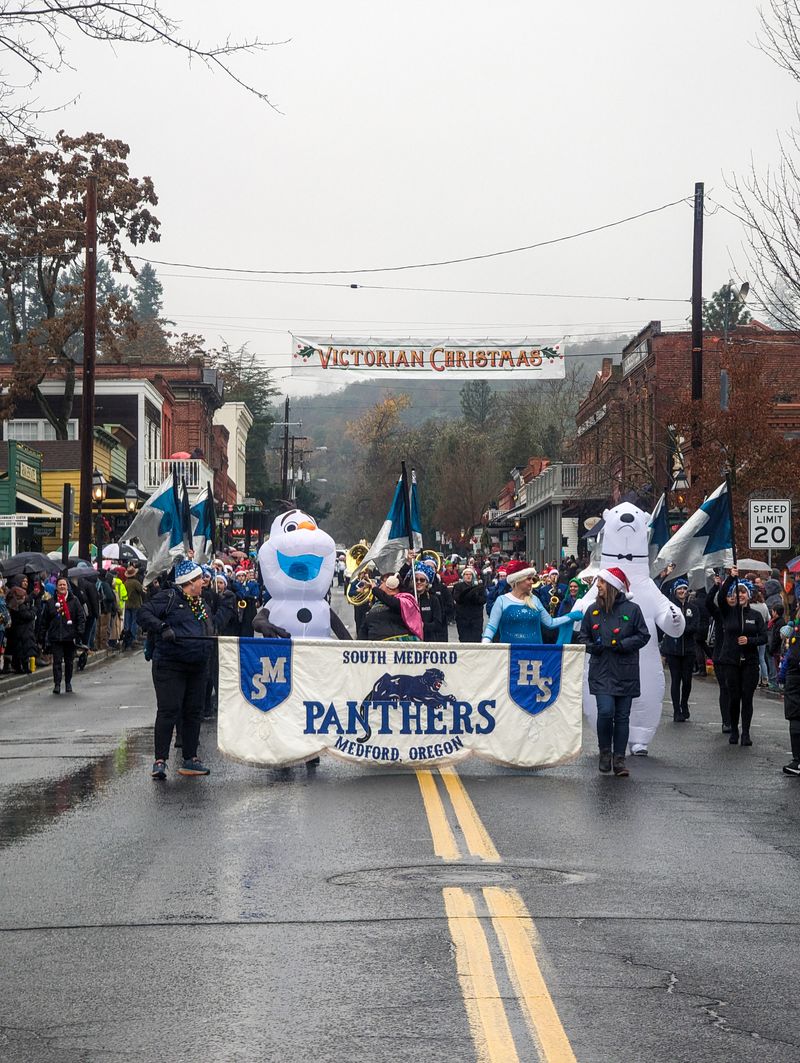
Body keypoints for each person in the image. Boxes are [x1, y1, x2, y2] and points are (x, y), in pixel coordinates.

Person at [139, 558, 215, 780]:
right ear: (189, 582)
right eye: (200, 578)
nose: (204, 582)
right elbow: (144, 613)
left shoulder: (200, 603)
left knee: (193, 712)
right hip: (170, 665)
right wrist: (162, 628)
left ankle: (190, 758)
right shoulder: (169, 597)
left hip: (198, 666)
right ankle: (160, 760)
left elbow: (210, 626)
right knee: (169, 710)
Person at [578, 567, 650, 777]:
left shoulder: (632, 610)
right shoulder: (592, 611)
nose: (597, 585)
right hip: (601, 670)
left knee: (622, 716)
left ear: (612, 586)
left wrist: (624, 644)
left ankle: (619, 759)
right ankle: (605, 752)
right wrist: (593, 647)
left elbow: (643, 635)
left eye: (601, 582)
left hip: (625, 670)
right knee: (606, 711)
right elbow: (583, 637)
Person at [716, 568, 767, 746]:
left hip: (750, 663)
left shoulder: (756, 615)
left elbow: (764, 638)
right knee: (734, 697)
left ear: (749, 594)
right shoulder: (728, 612)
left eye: (743, 592)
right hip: (730, 661)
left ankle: (746, 732)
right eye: (738, 592)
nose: (741, 595)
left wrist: (750, 640)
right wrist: (731, 578)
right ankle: (734, 730)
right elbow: (721, 596)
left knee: (747, 697)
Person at [482, 560, 580, 644]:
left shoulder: (534, 600)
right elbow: (491, 627)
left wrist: (570, 616)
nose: (532, 582)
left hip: (534, 655)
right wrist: (485, 643)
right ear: (518, 580)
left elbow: (550, 623)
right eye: (528, 579)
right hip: (510, 657)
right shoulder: (502, 600)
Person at [660, 579, 698, 722]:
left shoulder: (693, 608)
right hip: (673, 649)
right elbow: (666, 624)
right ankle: (677, 710)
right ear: (675, 591)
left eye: (684, 589)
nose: (682, 591)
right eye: (679, 589)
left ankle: (684, 704)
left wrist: (681, 629)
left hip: (688, 650)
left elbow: (695, 626)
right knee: (676, 680)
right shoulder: (670, 607)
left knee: (687, 680)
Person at [40, 575, 86, 694]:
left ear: (67, 587)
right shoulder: (51, 602)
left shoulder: (74, 600)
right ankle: (57, 684)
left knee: (69, 662)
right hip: (56, 637)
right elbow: (44, 620)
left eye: (64, 585)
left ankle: (68, 683)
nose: (62, 587)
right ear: (57, 587)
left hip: (70, 637)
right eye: (60, 585)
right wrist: (42, 636)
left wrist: (80, 631)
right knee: (57, 662)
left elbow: (81, 616)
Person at [358, 573, 423, 641]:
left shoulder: (406, 600)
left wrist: (375, 589)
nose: (379, 586)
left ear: (391, 583)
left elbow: (392, 602)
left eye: (382, 583)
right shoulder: (377, 603)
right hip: (376, 647)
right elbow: (364, 628)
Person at [706, 575, 734, 733]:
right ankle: (726, 721)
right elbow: (709, 602)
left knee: (734, 690)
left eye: (733, 595)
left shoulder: (739, 614)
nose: (730, 598)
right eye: (728, 596)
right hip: (720, 657)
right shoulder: (719, 614)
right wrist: (716, 586)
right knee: (724, 688)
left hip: (735, 658)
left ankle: (734, 718)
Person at [778, 622, 800, 775]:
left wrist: (782, 676)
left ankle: (798, 762)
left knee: (796, 717)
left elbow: (791, 657)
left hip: (795, 678)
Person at [452, 567, 487, 643]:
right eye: (466, 574)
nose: (468, 576)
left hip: (476, 619)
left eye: (470, 574)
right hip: (463, 618)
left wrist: (474, 597)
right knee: (464, 639)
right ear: (463, 576)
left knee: (476, 640)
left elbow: (483, 600)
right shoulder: (458, 586)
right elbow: (457, 599)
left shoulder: (479, 587)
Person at [122, 564, 144, 648]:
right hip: (135, 604)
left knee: (128, 622)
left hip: (127, 604)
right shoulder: (135, 583)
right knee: (134, 622)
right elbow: (141, 591)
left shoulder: (125, 583)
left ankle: (127, 638)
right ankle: (133, 638)